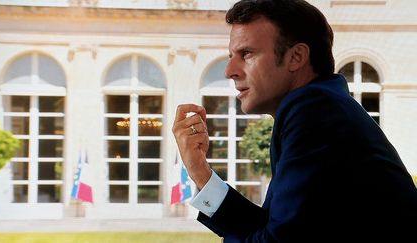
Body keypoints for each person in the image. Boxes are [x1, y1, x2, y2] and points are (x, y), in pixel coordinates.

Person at [172, 0, 417, 242]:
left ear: (296, 56)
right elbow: (274, 227)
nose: (229, 71)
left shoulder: (316, 112)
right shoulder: (320, 107)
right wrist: (199, 171)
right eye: (230, 56)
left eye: (246, 54)